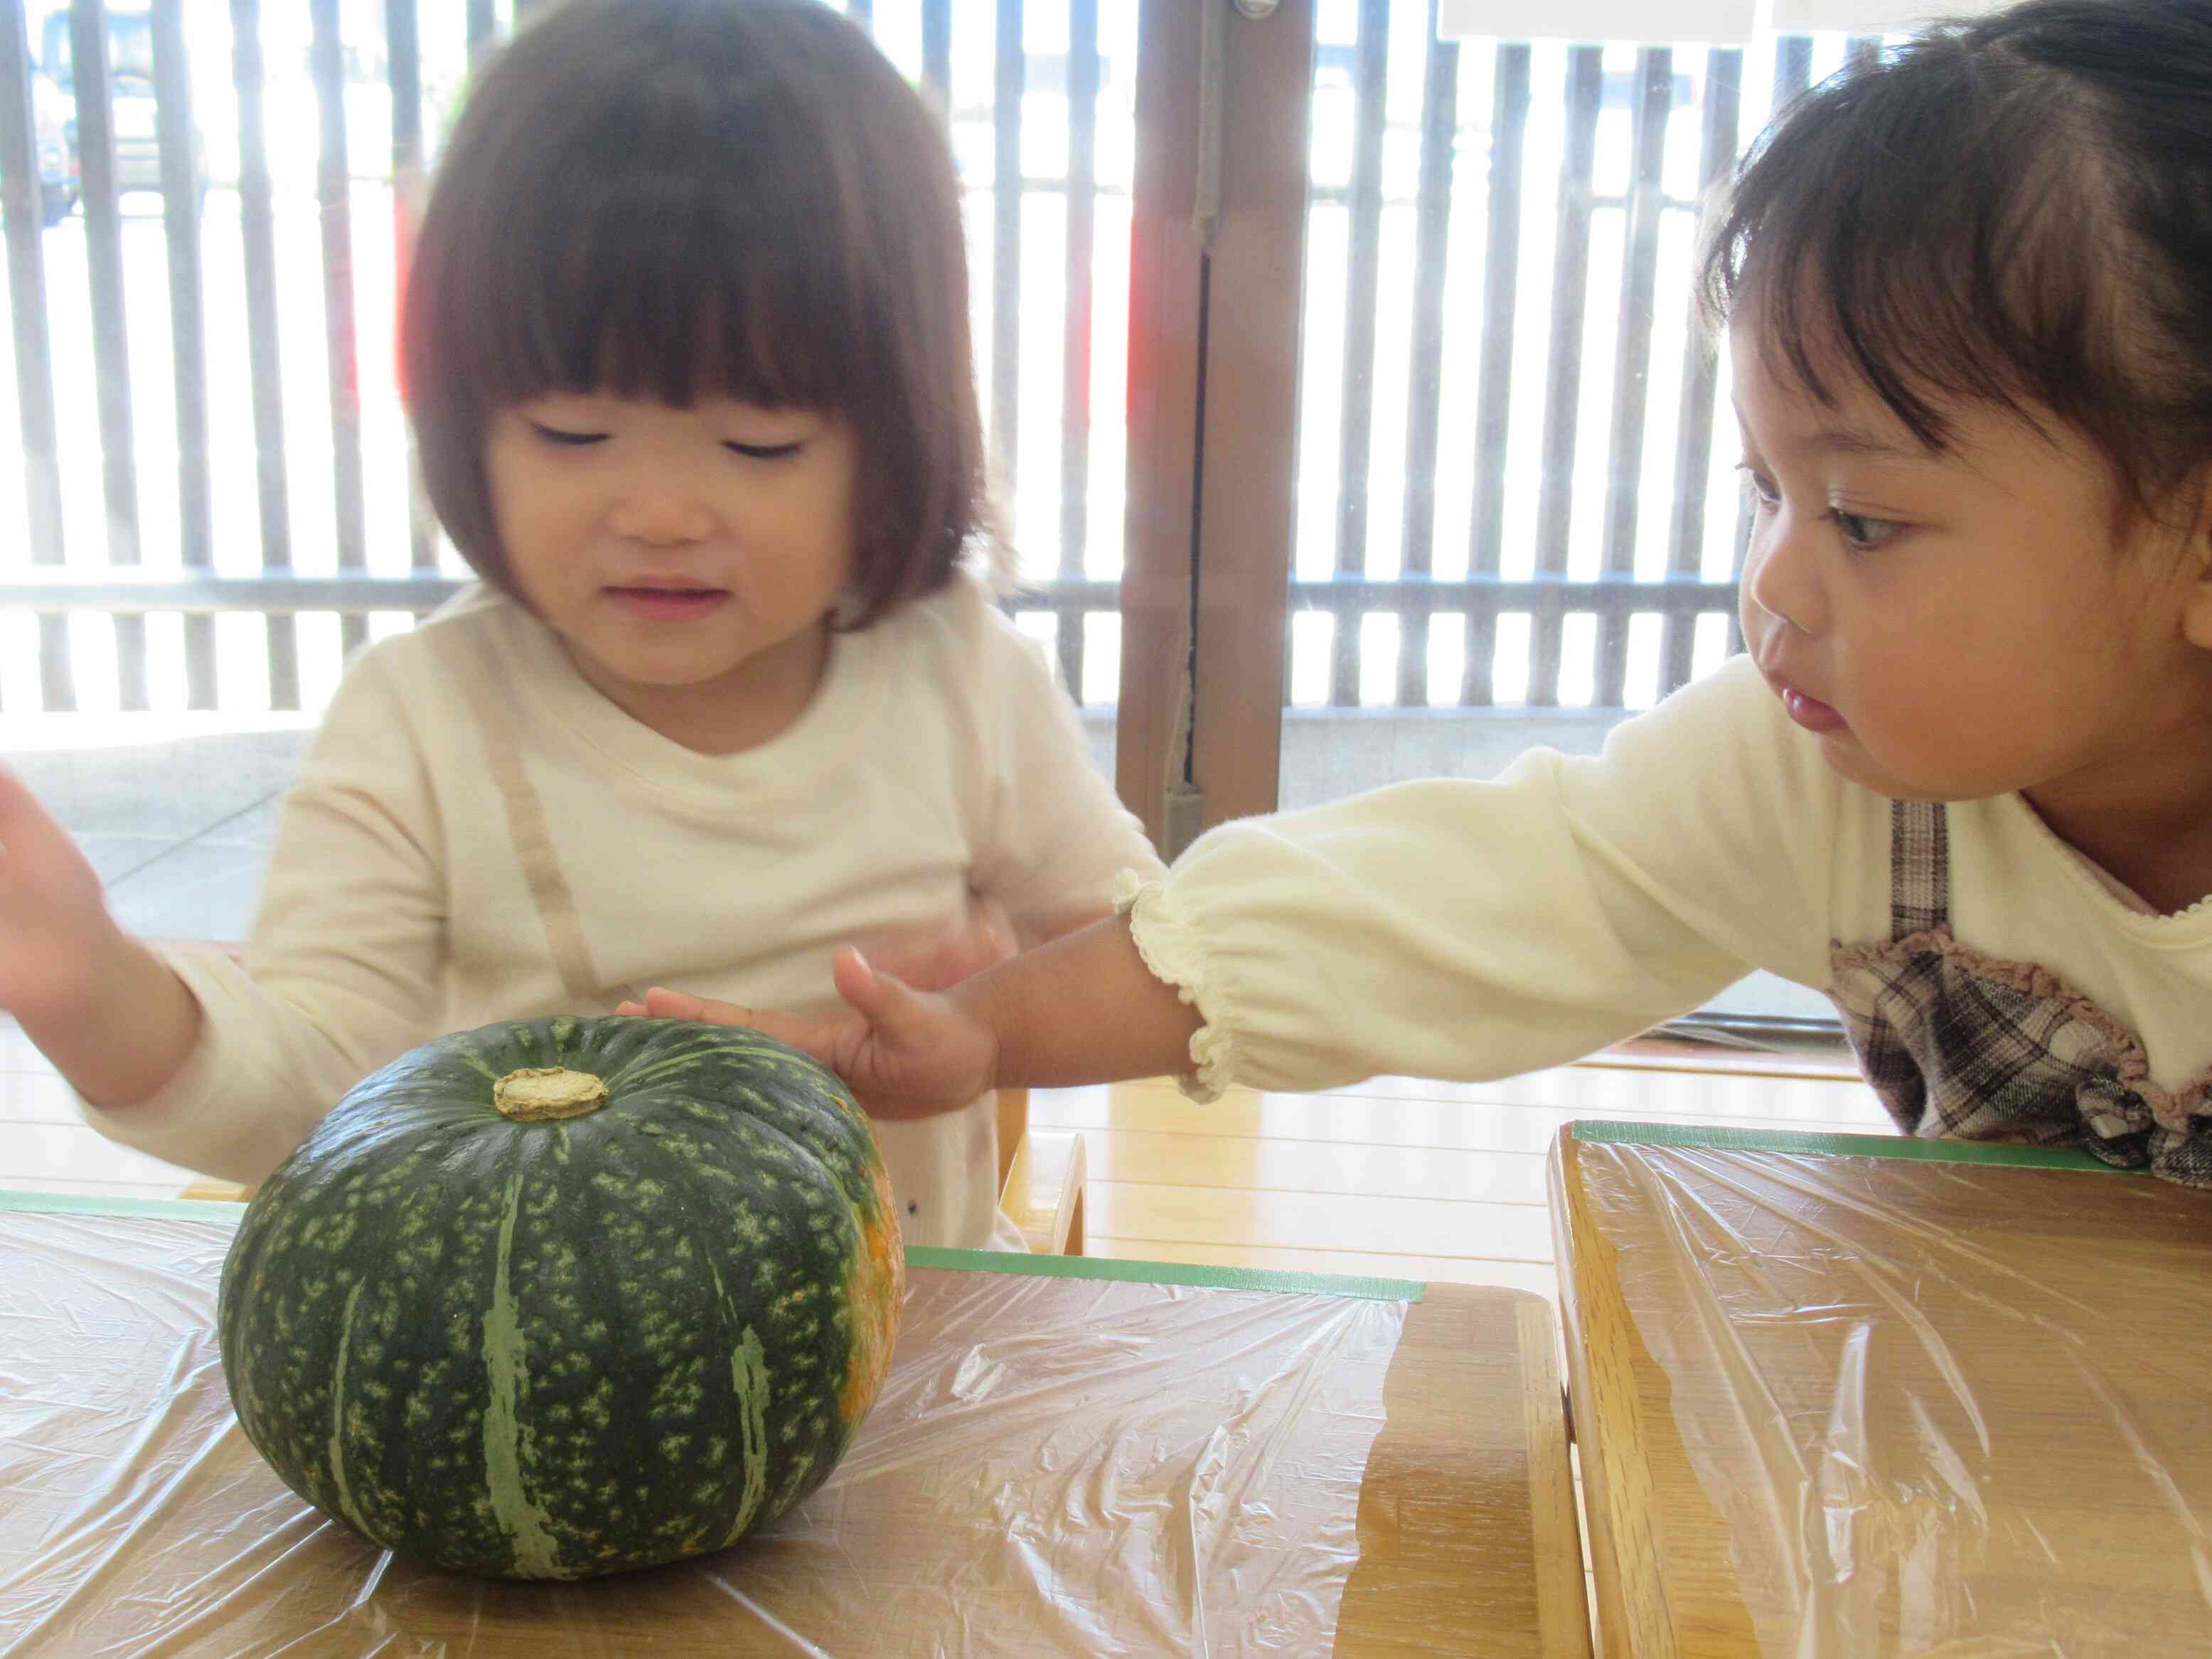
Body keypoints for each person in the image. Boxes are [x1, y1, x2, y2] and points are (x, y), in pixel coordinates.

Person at [638, 0, 2212, 1186]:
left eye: (1863, 517)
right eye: (1765, 491)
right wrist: (992, 1029)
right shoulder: (1813, 772)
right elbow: (1447, 898)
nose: (1775, 582)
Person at [0, 0, 1159, 1249]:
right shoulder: (424, 718)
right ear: (467, 424)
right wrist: (95, 992)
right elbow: (310, 1094)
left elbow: (1155, 954)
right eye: (571, 434)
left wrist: (1000, 1005)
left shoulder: (955, 674)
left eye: (758, 444)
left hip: (918, 1344)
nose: (659, 513)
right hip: (538, 1393)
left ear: (894, 439)